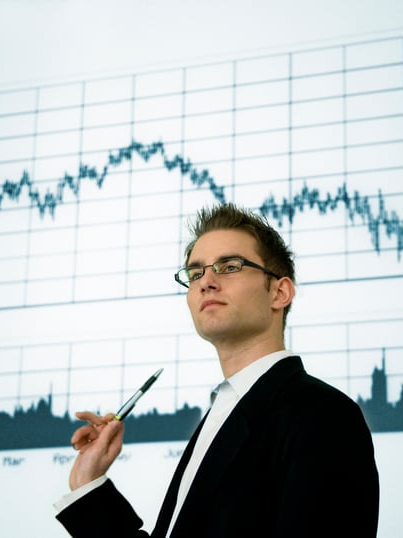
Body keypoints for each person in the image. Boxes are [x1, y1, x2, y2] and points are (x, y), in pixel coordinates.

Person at [55, 203, 379, 537]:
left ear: (279, 292)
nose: (206, 282)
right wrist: (87, 482)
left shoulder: (324, 415)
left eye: (230, 266)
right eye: (195, 273)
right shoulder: (222, 413)